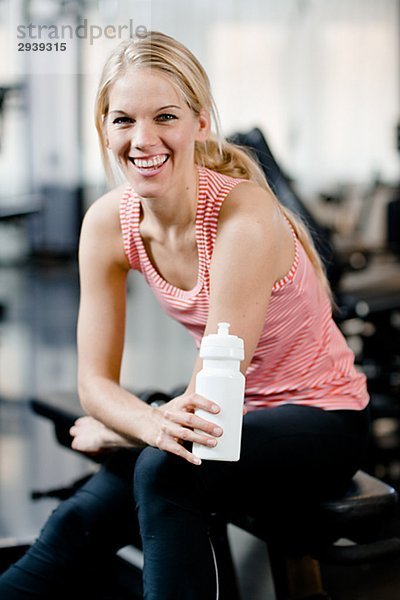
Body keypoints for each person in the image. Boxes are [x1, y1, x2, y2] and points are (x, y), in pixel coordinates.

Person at [0, 30, 370, 599]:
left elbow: (208, 406)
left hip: (318, 416)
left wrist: (127, 430)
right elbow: (93, 384)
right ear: (103, 128)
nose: (142, 139)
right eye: (123, 120)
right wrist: (143, 422)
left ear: (200, 123)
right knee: (83, 519)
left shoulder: (242, 219)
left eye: (165, 116)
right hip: (217, 412)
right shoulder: (107, 223)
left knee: (162, 469)